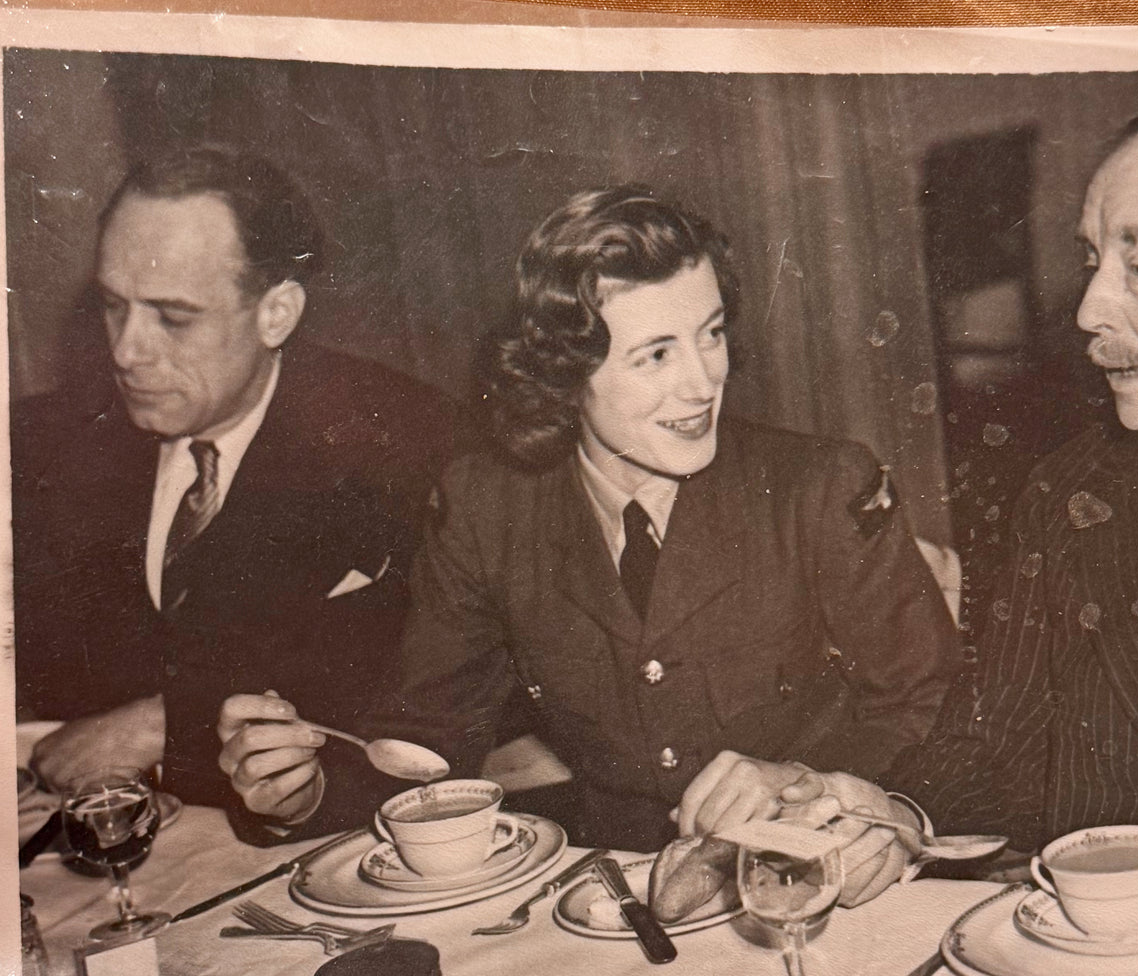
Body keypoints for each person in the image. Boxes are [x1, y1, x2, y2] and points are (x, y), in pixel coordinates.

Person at [680, 91, 1138, 917]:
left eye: (1137, 267)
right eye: (1091, 262)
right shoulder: (1068, 491)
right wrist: (873, 810)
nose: (1087, 309)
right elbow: (991, 761)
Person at [218, 185, 958, 900]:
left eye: (711, 334)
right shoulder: (488, 508)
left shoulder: (817, 488)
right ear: (565, 374)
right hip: (620, 906)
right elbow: (424, 750)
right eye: (656, 355)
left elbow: (934, 711)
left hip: (821, 887)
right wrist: (304, 789)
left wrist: (808, 784)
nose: (703, 383)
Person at [13, 144, 460, 841]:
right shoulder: (41, 445)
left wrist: (169, 720)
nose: (127, 350)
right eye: (111, 306)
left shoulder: (401, 442)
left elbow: (418, 681)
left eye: (173, 317)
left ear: (276, 312)